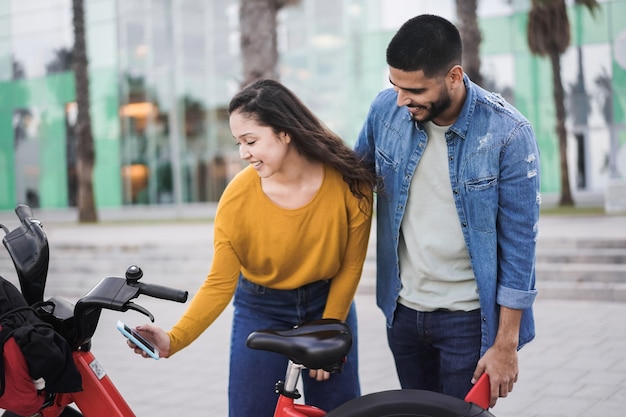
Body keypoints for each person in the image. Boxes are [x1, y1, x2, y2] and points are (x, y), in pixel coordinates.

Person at [127, 79, 376, 417]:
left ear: (285, 132)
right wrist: (174, 339)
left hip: (329, 303)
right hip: (262, 309)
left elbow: (350, 266)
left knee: (341, 411)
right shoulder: (238, 198)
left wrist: (329, 329)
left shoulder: (350, 182)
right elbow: (219, 283)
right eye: (238, 143)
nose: (243, 153)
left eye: (251, 140)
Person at [354, 14, 540, 408]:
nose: (402, 99)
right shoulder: (386, 110)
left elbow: (520, 247)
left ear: (454, 76)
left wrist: (506, 344)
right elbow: (351, 178)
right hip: (403, 313)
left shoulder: (508, 133)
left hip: (468, 321)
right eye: (395, 85)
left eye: (415, 89)